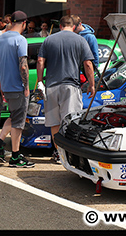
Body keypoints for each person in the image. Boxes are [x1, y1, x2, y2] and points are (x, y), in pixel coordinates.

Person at [36, 15, 96, 163]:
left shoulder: (49, 40)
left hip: (51, 87)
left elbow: (40, 61)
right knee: (70, 121)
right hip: (71, 86)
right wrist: (92, 84)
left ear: (60, 26)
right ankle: (68, 154)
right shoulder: (80, 40)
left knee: (55, 122)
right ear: (73, 27)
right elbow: (88, 64)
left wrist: (39, 80)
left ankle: (58, 153)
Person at [0, 10, 34, 168]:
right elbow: (23, 65)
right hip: (18, 87)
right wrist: (27, 86)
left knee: (14, 116)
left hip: (7, 85)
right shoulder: (20, 40)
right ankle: (15, 156)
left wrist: (1, 83)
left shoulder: (1, 38)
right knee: (18, 123)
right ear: (24, 23)